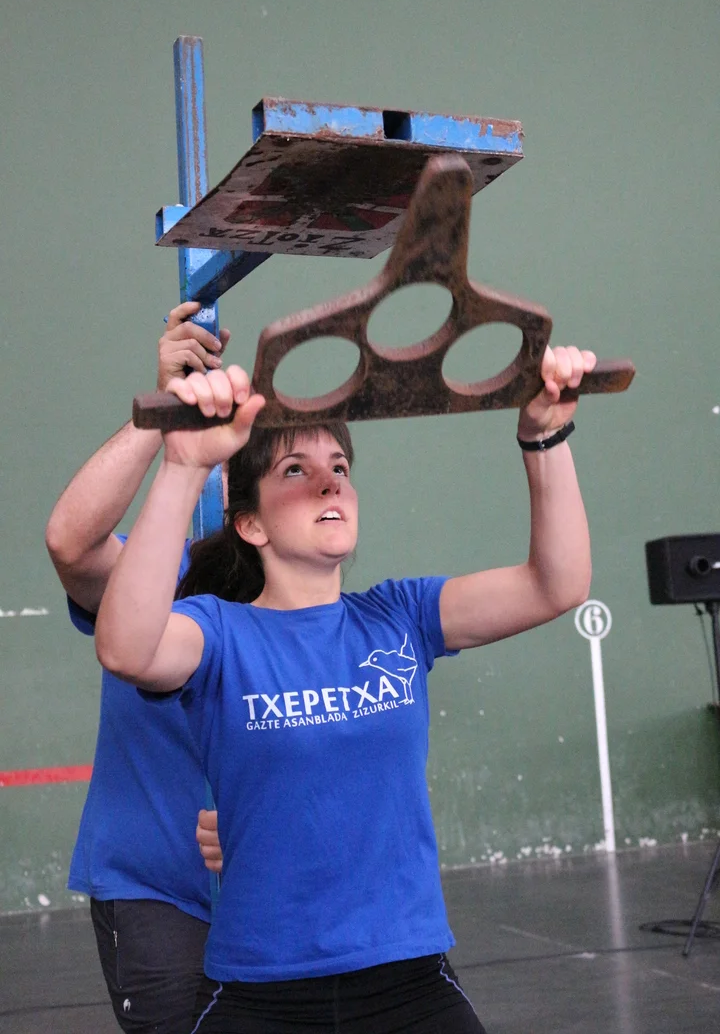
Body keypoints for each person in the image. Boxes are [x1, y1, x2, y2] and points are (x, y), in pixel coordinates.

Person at [95, 343, 595, 1033]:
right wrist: (183, 467)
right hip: (262, 992)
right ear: (251, 523)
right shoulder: (218, 634)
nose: (329, 484)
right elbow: (126, 648)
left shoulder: (401, 616)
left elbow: (556, 584)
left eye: (339, 468)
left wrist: (545, 434)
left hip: (409, 982)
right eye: (295, 471)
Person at [45, 302, 228, 1034]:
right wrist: (163, 411)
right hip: (158, 892)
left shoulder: (307, 596)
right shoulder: (158, 572)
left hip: (272, 891)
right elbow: (71, 544)